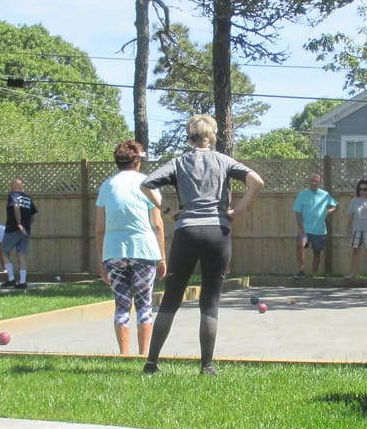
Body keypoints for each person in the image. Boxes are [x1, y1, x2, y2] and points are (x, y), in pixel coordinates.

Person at [140, 115, 264, 375]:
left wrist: (168, 211)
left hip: (186, 231)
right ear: (213, 135)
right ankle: (206, 366)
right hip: (217, 233)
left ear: (190, 135)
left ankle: (151, 364)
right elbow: (256, 181)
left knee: (171, 299)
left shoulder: (179, 162)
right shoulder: (224, 161)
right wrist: (236, 211)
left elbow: (146, 183)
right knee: (210, 302)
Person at [95, 140, 167, 356]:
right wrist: (162, 258)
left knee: (122, 304)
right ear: (137, 161)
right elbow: (157, 223)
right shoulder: (148, 183)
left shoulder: (107, 186)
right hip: (144, 250)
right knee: (144, 304)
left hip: (114, 252)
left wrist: (101, 263)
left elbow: (99, 228)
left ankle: (124, 354)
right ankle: (143, 355)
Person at [292, 172, 337, 278]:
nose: (313, 183)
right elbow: (297, 212)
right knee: (300, 245)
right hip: (305, 229)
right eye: (312, 181)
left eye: (316, 181)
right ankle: (302, 270)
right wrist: (300, 227)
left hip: (319, 230)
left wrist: (327, 212)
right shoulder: (302, 194)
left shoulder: (324, 195)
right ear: (309, 182)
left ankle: (314, 275)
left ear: (319, 182)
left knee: (317, 252)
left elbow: (335, 206)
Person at [2, 178, 37, 289]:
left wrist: (18, 223)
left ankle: (11, 279)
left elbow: (16, 207)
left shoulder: (13, 195)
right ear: (21, 186)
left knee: (4, 252)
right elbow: (33, 216)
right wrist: (26, 225)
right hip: (26, 230)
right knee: (21, 255)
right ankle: (22, 282)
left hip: (13, 228)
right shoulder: (27, 198)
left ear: (12, 186)